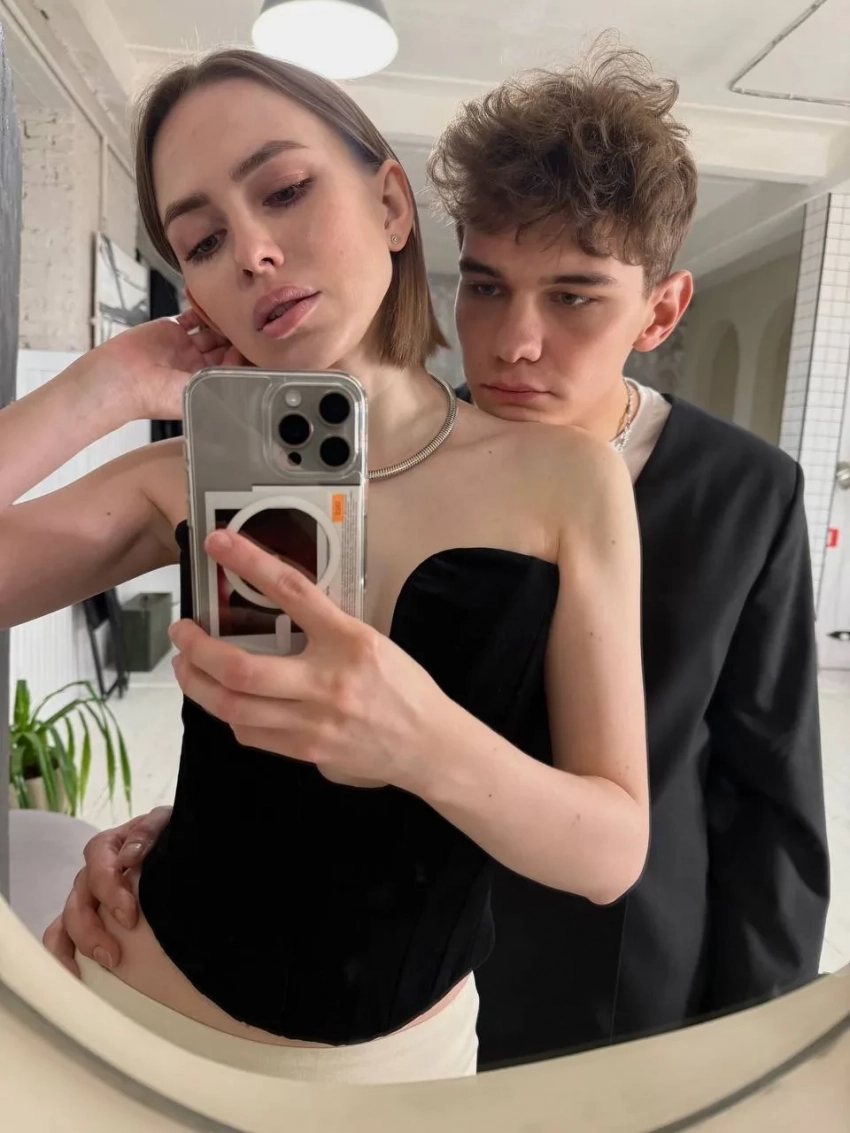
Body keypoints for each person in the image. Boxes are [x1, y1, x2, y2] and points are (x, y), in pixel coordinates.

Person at [51, 46, 830, 1070]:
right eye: (487, 286)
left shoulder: (745, 489)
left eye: (575, 297)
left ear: (661, 310)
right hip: (397, 983)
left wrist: (761, 1048)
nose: (512, 342)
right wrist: (198, 827)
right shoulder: (388, 453)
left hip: (610, 980)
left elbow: (769, 795)